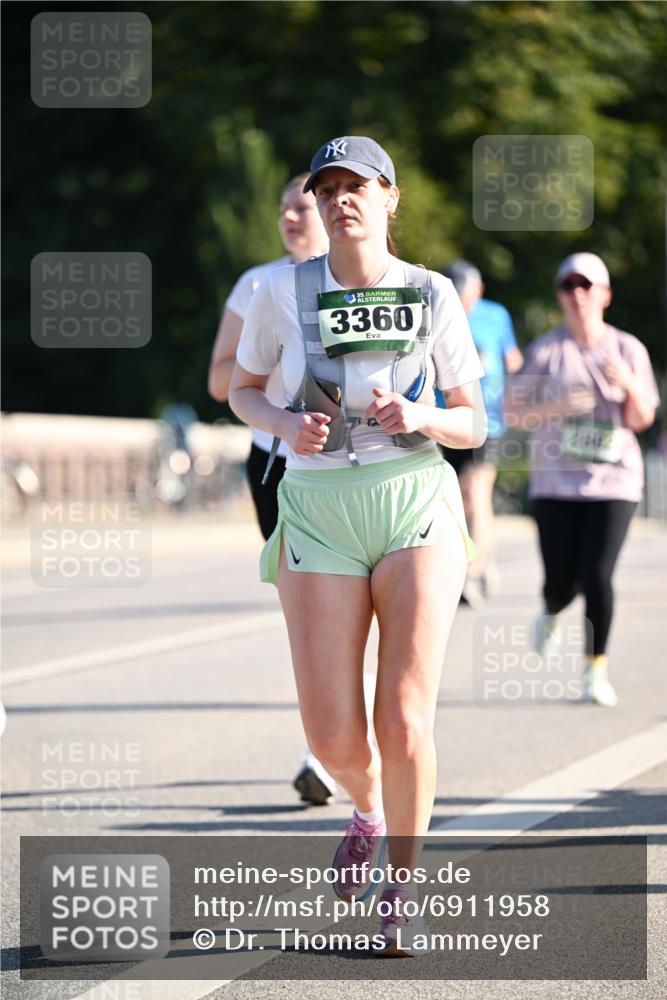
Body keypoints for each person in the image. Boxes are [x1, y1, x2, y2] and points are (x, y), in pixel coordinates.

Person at [229, 135, 486, 954]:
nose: (342, 198)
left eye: (358, 185)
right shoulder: (282, 292)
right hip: (316, 506)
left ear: (389, 199)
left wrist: (422, 418)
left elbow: (472, 419)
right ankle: (366, 808)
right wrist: (280, 423)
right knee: (334, 731)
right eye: (328, 185)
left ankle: (402, 892)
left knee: (404, 717)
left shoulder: (432, 293)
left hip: (412, 498)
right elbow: (238, 389)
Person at [208, 174, 336, 806]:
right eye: (284, 206)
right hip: (276, 467)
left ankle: (333, 752)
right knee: (310, 614)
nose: (291, 215)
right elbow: (218, 382)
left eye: (302, 205)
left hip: (350, 467)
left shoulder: (362, 280)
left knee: (351, 611)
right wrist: (277, 360)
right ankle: (325, 748)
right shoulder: (256, 284)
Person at [506, 252, 659, 707]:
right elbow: (513, 411)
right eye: (568, 286)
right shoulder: (546, 351)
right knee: (560, 581)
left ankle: (595, 670)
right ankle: (552, 608)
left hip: (614, 482)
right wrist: (555, 408)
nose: (577, 294)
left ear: (605, 295)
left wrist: (629, 384)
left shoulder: (628, 349)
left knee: (597, 573)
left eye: (586, 286)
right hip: (556, 484)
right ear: (559, 295)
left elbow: (642, 417)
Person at [442, 261, 523, 606]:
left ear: (478, 291)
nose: (463, 305)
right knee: (455, 497)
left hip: (489, 421)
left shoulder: (496, 315)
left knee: (477, 491)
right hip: (446, 418)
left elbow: (514, 360)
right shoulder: (439, 312)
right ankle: (483, 551)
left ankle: (470, 575)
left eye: (467, 297)